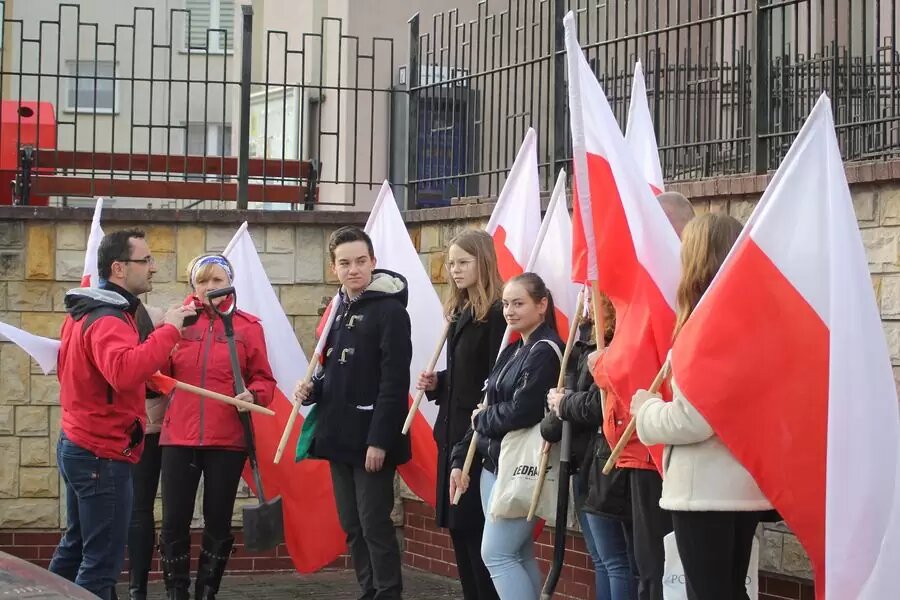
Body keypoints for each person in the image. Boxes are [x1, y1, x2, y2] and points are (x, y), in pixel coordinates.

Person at [631, 213, 772, 600]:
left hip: (706, 489)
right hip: (739, 486)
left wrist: (646, 410)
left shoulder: (710, 325)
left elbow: (693, 419)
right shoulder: (754, 321)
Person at [50, 229, 196, 600]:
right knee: (100, 565)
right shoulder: (108, 318)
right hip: (100, 453)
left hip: (80, 444)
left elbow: (113, 374)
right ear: (118, 267)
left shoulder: (88, 310)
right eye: (145, 260)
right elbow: (125, 370)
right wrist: (169, 331)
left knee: (75, 548)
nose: (153, 267)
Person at [294, 226, 412, 600]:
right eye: (344, 263)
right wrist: (314, 388)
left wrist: (379, 441)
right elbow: (334, 369)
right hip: (338, 434)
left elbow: (394, 383)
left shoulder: (390, 311)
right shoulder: (337, 308)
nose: (353, 269)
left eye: (361, 261)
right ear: (333, 268)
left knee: (374, 522)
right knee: (351, 524)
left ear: (374, 262)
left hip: (372, 437)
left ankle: (388, 593)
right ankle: (368, 590)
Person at [590, 191, 695, 600]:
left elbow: (629, 364)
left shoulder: (667, 283)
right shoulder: (671, 281)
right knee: (652, 566)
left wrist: (598, 363)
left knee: (660, 571)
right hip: (646, 447)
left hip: (657, 449)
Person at [157, 253, 276, 600]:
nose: (210, 287)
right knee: (174, 520)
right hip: (178, 435)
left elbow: (264, 379)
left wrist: (254, 395)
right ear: (193, 287)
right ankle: (176, 592)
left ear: (230, 283)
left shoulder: (247, 326)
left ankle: (207, 592)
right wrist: (166, 336)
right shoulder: (177, 323)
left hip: (227, 438)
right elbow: (155, 373)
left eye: (217, 281)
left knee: (218, 520)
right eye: (203, 281)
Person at [449, 272, 564, 600]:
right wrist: (460, 458)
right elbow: (485, 404)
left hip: (520, 465)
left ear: (542, 305)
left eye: (519, 303)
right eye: (507, 304)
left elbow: (522, 411)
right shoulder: (512, 350)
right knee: (517, 553)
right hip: (492, 464)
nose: (510, 311)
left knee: (496, 554)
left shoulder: (545, 350)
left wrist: (483, 419)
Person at [416, 230, 505, 600]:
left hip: (475, 438)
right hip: (450, 434)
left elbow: (494, 377)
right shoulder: (460, 312)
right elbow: (464, 374)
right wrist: (438, 382)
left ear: (482, 262)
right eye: (451, 263)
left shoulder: (497, 314)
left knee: (473, 528)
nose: (454, 270)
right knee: (456, 527)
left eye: (463, 262)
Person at [542, 299, 636, 600]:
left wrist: (564, 403)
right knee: (602, 558)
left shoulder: (615, 345)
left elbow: (601, 404)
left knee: (616, 560)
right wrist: (562, 401)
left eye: (591, 298)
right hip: (585, 460)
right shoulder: (584, 342)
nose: (585, 304)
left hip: (606, 461)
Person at [126, 302, 166, 600]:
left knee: (172, 512)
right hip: (137, 431)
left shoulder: (155, 317)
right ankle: (136, 587)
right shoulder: (105, 319)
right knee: (139, 509)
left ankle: (168, 584)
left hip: (167, 428)